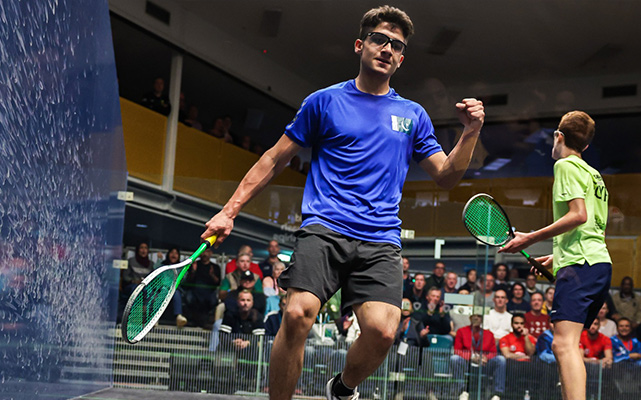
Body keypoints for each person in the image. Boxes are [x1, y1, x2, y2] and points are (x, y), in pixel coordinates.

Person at [200, 6, 485, 400]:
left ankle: (343, 388)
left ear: (401, 59)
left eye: (396, 46)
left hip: (381, 238)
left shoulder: (412, 115)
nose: (387, 49)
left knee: (384, 331)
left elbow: (447, 175)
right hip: (325, 227)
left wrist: (471, 132)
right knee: (297, 314)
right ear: (360, 45)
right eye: (380, 39)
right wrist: (229, 211)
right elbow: (274, 158)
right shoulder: (324, 102)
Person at [500, 111, 612, 400]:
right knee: (568, 344)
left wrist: (530, 238)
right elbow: (590, 227)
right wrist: (556, 256)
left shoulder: (565, 165)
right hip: (596, 263)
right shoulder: (594, 174)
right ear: (586, 146)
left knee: (563, 345)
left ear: (558, 136)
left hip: (581, 266)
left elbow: (578, 216)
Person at [450, 314, 506, 400]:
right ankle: (462, 392)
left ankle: (497, 394)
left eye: (479, 316)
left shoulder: (489, 334)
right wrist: (471, 357)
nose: (476, 318)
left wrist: (485, 358)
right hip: (467, 363)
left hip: (484, 364)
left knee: (501, 360)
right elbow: (457, 351)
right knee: (454, 358)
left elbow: (494, 353)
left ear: (482, 320)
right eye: (474, 316)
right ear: (470, 318)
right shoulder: (461, 331)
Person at [184, 248, 221, 328]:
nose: (205, 254)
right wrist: (193, 271)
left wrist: (212, 275)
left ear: (211, 253)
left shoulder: (215, 267)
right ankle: (192, 321)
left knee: (212, 300)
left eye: (207, 251)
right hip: (195, 291)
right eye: (203, 252)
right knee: (189, 298)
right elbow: (188, 282)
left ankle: (206, 321)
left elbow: (218, 283)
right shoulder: (194, 265)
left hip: (209, 291)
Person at [155, 247, 188, 327]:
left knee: (175, 292)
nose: (173, 255)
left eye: (176, 253)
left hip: (175, 290)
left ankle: (179, 317)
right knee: (161, 292)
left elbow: (183, 279)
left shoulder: (180, 267)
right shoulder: (162, 265)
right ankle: (155, 318)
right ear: (168, 254)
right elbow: (155, 272)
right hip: (162, 289)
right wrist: (159, 260)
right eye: (172, 253)